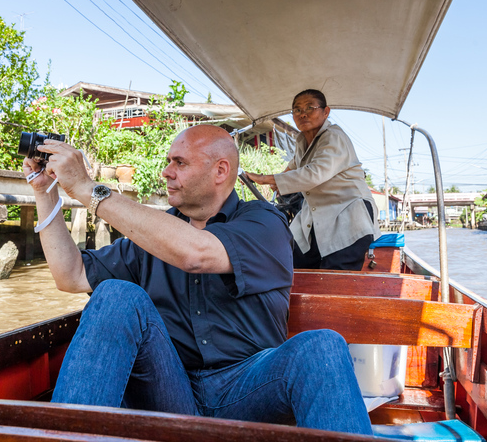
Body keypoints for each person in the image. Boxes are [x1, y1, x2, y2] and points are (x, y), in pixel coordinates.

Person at [23, 124, 372, 435]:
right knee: (116, 294)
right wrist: (45, 193)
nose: (165, 172)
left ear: (220, 170)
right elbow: (71, 275)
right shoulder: (154, 236)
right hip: (170, 392)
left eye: (180, 163)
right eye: (169, 162)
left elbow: (196, 253)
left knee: (321, 346)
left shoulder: (265, 224)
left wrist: (87, 189)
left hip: (249, 393)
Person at [246, 89, 380, 271]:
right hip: (316, 220)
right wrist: (258, 180)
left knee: (334, 279)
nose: (303, 114)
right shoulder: (302, 143)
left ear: (326, 112)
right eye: (297, 110)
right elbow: (292, 169)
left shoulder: (334, 137)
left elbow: (313, 173)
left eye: (311, 107)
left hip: (347, 217)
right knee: (287, 263)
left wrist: (265, 179)